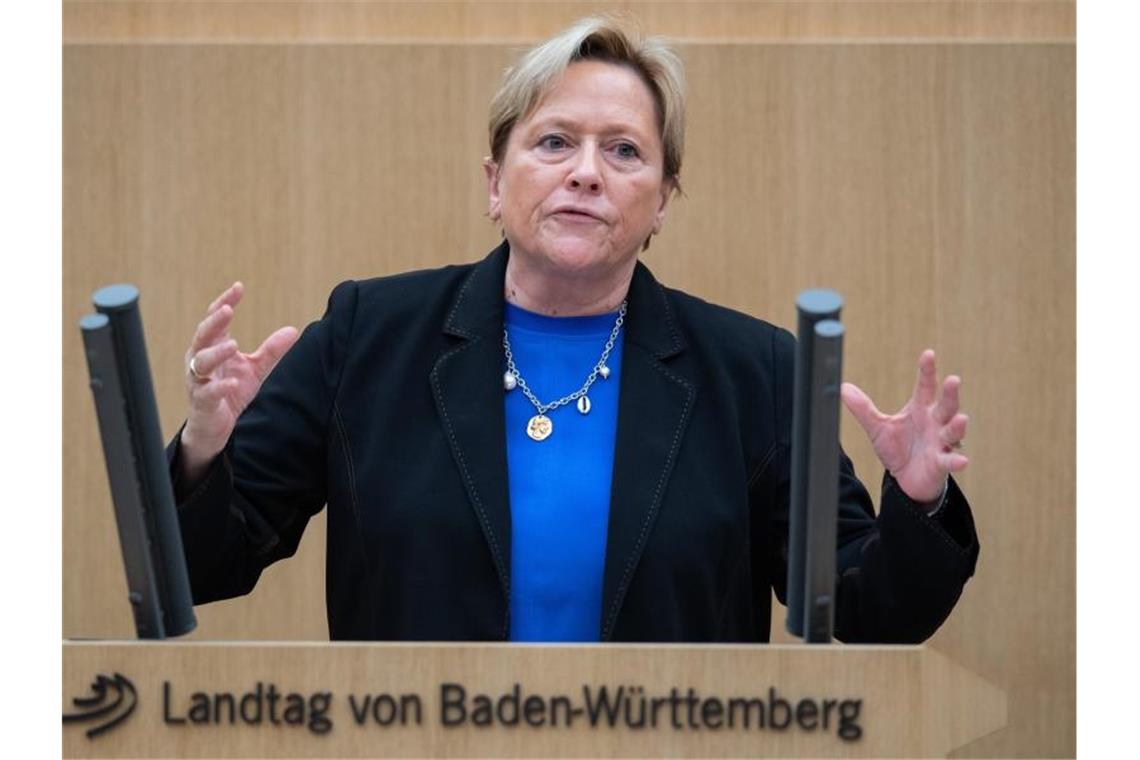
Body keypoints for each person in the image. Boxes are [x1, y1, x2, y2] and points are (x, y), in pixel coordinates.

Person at [170, 16, 978, 643]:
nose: (585, 171)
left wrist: (919, 502)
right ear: (496, 180)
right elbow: (203, 565)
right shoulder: (367, 337)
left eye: (624, 150)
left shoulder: (754, 372)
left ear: (662, 200)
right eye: (554, 141)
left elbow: (865, 614)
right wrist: (206, 447)